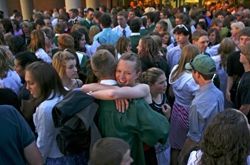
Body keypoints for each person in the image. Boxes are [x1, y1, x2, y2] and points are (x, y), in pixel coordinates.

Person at [82, 51, 169, 165]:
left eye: (127, 73)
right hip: (130, 157)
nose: (121, 77)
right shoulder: (132, 102)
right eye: (118, 71)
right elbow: (160, 131)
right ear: (114, 69)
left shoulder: (138, 92)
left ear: (138, 74)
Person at [25, 61, 86, 164]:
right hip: (73, 156)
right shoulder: (66, 93)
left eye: (31, 83)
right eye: (26, 82)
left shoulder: (45, 108)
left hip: (55, 158)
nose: (27, 87)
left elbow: (44, 141)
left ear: (44, 83)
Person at [180, 54, 224, 164]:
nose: (191, 74)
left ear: (198, 75)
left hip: (203, 152)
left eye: (192, 71)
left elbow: (193, 138)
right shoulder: (219, 93)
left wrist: (182, 156)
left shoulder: (196, 103)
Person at [168, 45, 199, 165]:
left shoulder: (175, 69)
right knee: (188, 144)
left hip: (177, 108)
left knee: (176, 144)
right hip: (189, 111)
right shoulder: (192, 79)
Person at [140, 67, 171, 165]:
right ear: (150, 85)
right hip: (153, 147)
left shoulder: (163, 94)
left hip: (164, 143)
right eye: (161, 83)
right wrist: (166, 117)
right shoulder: (145, 103)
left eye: (165, 81)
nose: (165, 85)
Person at [236, 42, 250, 122]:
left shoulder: (248, 80)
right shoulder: (246, 74)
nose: (240, 54)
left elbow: (246, 106)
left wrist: (236, 121)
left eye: (242, 53)